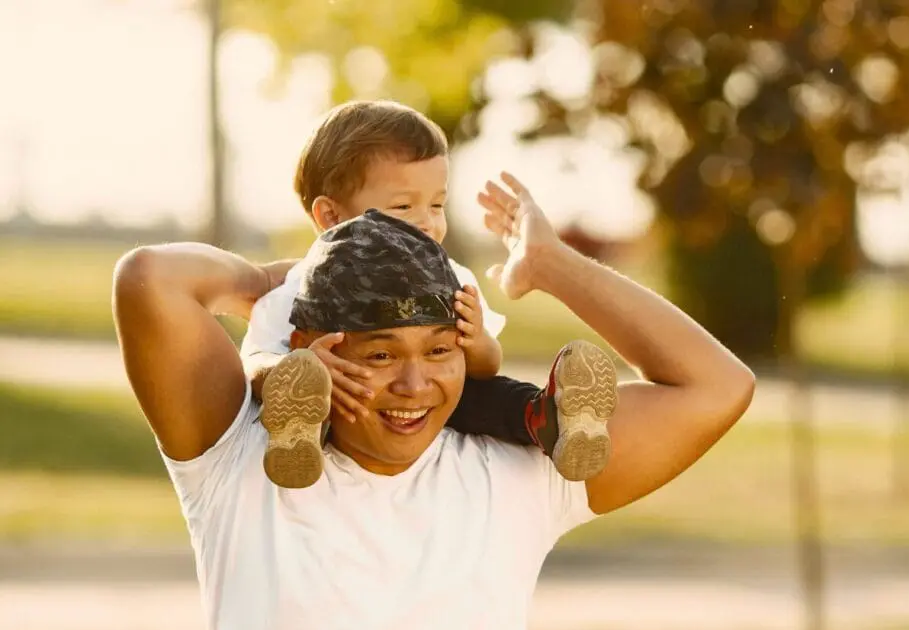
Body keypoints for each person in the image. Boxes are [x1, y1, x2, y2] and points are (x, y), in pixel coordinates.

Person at [112, 172, 755, 630]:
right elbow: (148, 279)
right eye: (381, 355)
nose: (416, 387)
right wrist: (276, 284)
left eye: (441, 351)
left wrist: (549, 263)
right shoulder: (242, 453)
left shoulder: (529, 465)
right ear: (314, 347)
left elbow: (718, 386)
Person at [244, 100, 610, 488]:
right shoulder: (303, 284)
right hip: (347, 407)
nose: (428, 222)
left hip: (442, 403)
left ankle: (549, 418)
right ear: (332, 218)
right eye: (403, 206)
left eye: (437, 204)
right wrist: (292, 367)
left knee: (480, 393)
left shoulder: (452, 277)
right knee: (328, 397)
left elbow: (484, 368)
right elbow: (253, 362)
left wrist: (477, 340)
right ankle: (299, 437)